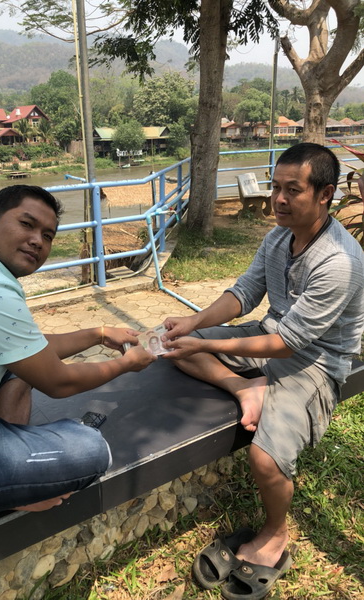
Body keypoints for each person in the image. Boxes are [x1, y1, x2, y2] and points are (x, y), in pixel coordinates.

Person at [161, 143, 364, 599]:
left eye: (293, 190)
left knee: (265, 459)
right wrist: (193, 324)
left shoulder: (340, 261)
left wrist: (207, 342)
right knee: (173, 346)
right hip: (270, 336)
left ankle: (275, 534)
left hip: (314, 362)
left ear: (325, 194)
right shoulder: (277, 237)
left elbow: (288, 343)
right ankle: (244, 389)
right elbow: (245, 292)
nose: (279, 199)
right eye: (275, 188)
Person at [0, 184, 155, 532]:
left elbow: (30, 349)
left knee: (21, 367)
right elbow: (58, 382)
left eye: (47, 235)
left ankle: (14, 473)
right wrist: (127, 364)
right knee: (89, 450)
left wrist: (100, 333)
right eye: (26, 224)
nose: (37, 241)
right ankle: (10, 491)